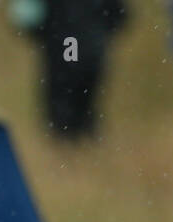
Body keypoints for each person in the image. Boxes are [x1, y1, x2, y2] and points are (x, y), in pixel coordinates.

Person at [16, 0, 129, 140]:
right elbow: (119, 15)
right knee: (80, 98)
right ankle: (77, 137)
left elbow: (26, 18)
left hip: (66, 41)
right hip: (85, 43)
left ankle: (70, 138)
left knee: (69, 97)